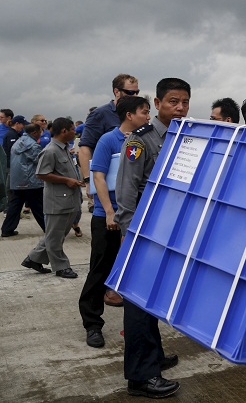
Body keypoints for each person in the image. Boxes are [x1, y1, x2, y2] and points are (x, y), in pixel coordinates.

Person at [115, 79, 188, 398]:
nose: (181, 108)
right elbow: (127, 190)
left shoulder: (185, 137)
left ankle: (154, 356)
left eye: (185, 102)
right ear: (157, 103)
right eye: (173, 102)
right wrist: (131, 234)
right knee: (138, 303)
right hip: (144, 230)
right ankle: (141, 377)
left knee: (152, 299)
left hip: (168, 229)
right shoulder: (140, 140)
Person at [79, 95, 151, 349]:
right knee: (101, 269)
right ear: (129, 115)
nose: (148, 116)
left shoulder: (144, 140)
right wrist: (110, 212)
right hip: (107, 216)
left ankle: (138, 335)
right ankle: (92, 324)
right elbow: (98, 177)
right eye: (144, 112)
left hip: (137, 216)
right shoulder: (109, 140)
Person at [21, 118, 84, 278]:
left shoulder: (63, 149)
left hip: (68, 199)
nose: (74, 132)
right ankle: (61, 267)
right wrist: (67, 180)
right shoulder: (50, 150)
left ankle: (33, 259)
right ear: (64, 131)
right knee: (55, 237)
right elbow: (41, 174)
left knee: (55, 234)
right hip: (58, 201)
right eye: (72, 129)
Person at [78, 73, 140, 231]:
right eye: (130, 93)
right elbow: (85, 147)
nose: (134, 96)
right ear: (116, 92)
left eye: (136, 92)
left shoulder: (138, 116)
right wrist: (88, 181)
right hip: (106, 182)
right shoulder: (100, 114)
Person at [2, 124, 46, 236]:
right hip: (31, 181)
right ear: (35, 132)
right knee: (39, 207)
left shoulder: (18, 142)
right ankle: (49, 229)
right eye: (41, 131)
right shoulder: (33, 145)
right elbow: (41, 162)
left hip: (16, 181)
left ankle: (7, 229)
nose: (42, 133)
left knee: (15, 205)